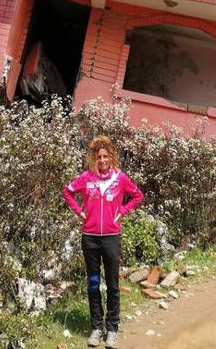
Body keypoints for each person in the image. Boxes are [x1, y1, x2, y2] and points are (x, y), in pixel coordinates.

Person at [63, 136, 144, 348]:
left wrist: (122, 211)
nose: (102, 160)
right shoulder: (86, 177)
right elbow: (68, 191)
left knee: (113, 284)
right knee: (93, 283)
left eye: (106, 156)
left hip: (111, 238)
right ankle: (96, 328)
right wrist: (79, 212)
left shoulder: (120, 178)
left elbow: (137, 196)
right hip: (89, 238)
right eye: (98, 157)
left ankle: (112, 329)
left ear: (111, 157)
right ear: (94, 158)